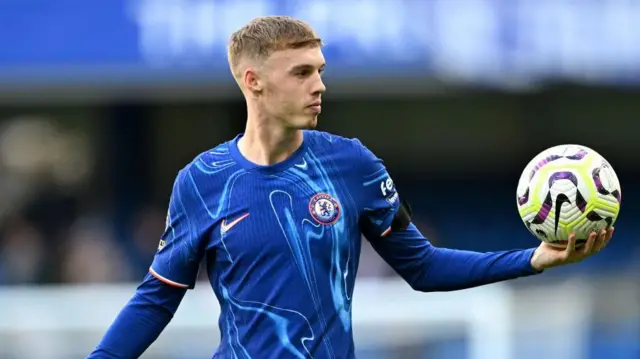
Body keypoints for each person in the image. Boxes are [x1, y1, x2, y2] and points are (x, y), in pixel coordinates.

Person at [87, 16, 613, 359]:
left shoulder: (352, 163)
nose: (320, 86)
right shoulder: (201, 181)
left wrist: (532, 260)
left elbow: (424, 268)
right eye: (301, 72)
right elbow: (157, 298)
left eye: (320, 70)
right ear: (254, 81)